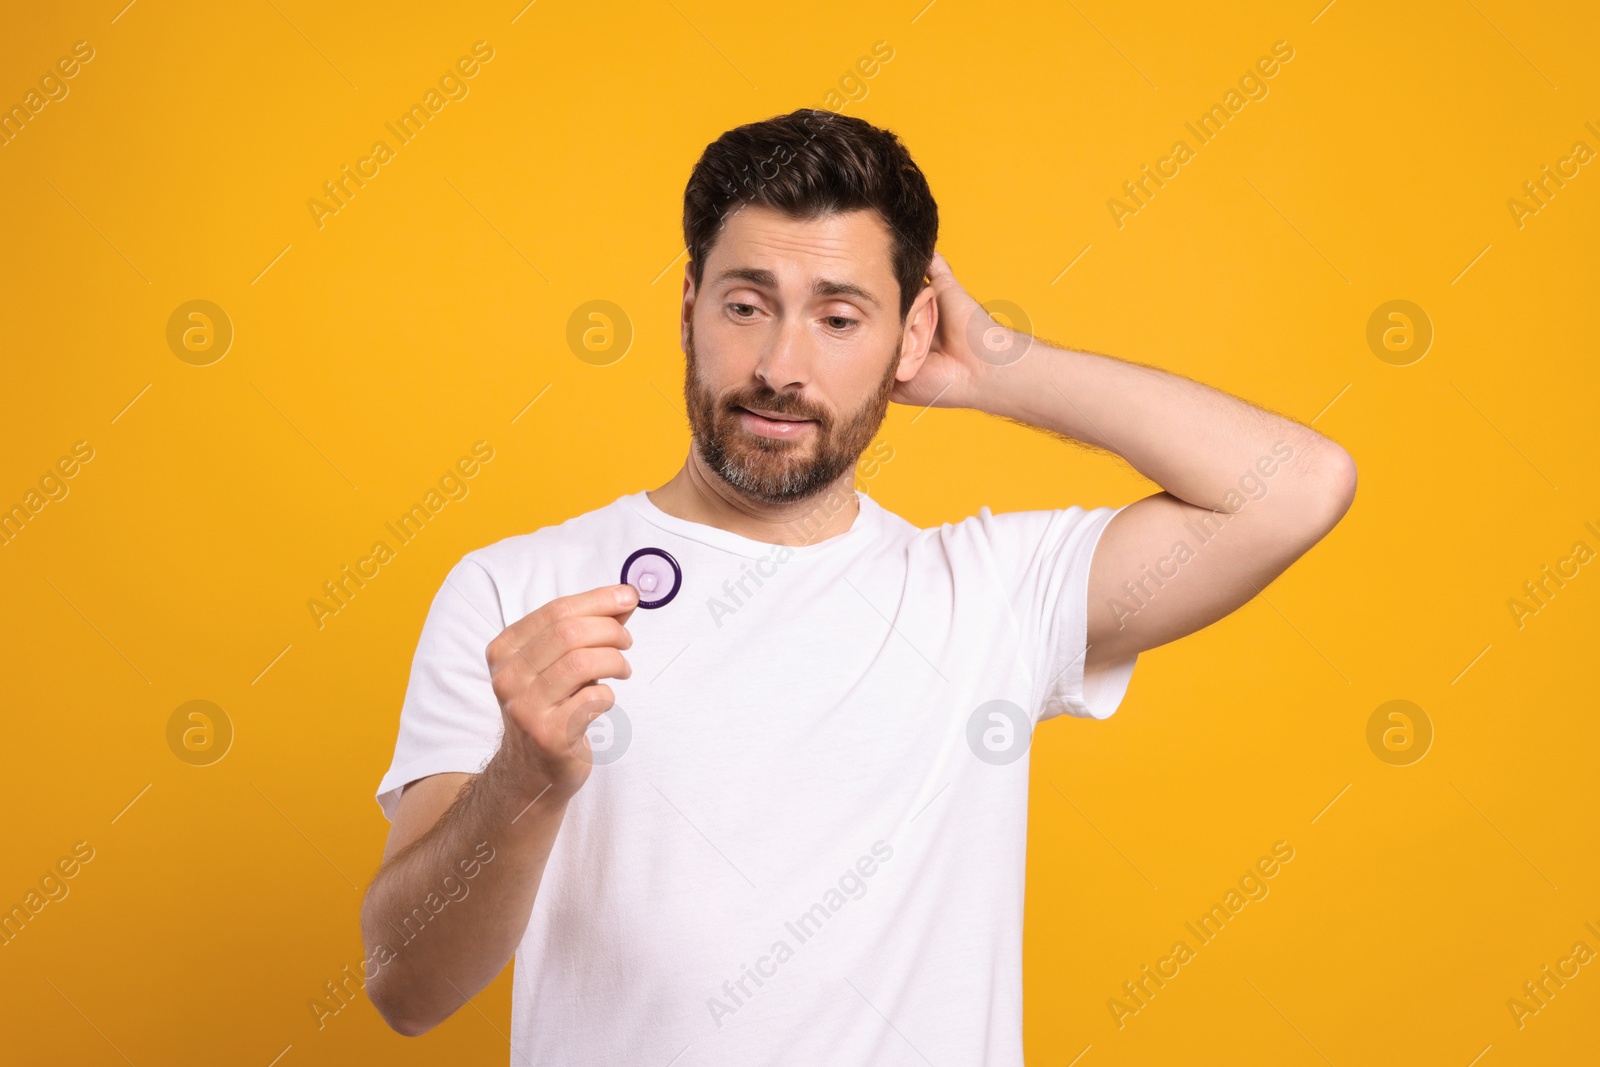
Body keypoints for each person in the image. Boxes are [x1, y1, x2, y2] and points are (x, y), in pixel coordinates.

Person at [362, 108, 1356, 1063]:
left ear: (912, 333)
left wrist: (1000, 365)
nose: (781, 366)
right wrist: (522, 780)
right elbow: (406, 987)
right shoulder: (514, 590)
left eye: (840, 318)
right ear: (687, 309)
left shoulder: (990, 596)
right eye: (746, 305)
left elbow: (1295, 487)